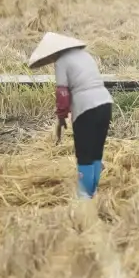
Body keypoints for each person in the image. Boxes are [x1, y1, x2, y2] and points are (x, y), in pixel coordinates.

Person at [28, 32, 113, 199]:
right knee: (96, 152)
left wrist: (61, 117)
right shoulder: (86, 56)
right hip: (105, 104)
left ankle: (85, 197)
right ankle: (93, 192)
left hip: (85, 108)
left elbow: (62, 93)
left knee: (84, 154)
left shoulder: (61, 61)